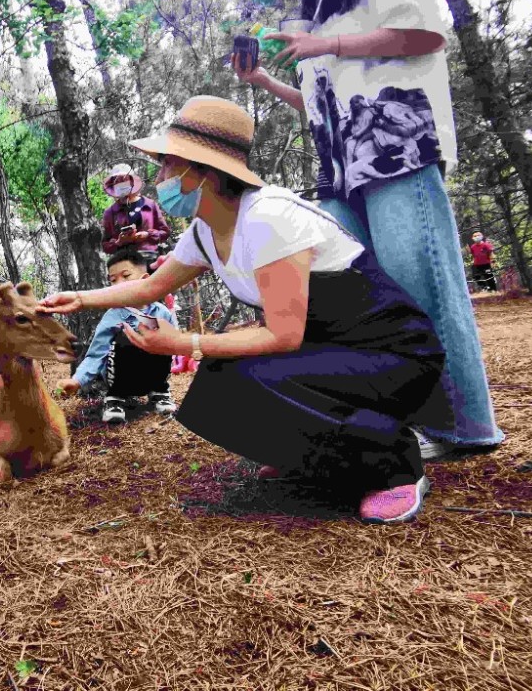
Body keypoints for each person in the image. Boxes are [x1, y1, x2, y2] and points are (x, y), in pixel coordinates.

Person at [41, 96, 448, 524]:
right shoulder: (205, 231)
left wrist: (184, 343)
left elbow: (283, 336)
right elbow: (151, 286)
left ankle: (395, 465)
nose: (158, 177)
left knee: (250, 374)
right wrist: (80, 299)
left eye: (166, 164)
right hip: (327, 355)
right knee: (219, 385)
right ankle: (319, 461)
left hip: (393, 357)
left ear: (202, 171)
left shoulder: (268, 218)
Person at [231, 0, 501, 459]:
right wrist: (262, 79)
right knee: (363, 300)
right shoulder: (314, 11)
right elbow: (319, 103)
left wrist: (330, 47)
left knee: (420, 282)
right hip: (337, 170)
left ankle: (464, 427)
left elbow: (425, 34)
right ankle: (401, 422)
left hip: (396, 147)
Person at [57, 249, 177, 423]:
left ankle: (159, 392)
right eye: (113, 280)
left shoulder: (162, 313)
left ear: (145, 279)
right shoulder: (113, 316)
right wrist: (77, 381)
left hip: (154, 375)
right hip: (120, 379)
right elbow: (97, 354)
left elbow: (173, 346)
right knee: (125, 336)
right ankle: (115, 398)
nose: (118, 284)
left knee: (163, 337)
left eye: (126, 276)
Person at [101, 163, 171, 263]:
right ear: (113, 186)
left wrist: (147, 235)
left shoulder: (150, 205)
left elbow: (165, 232)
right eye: (117, 181)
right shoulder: (110, 212)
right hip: (125, 264)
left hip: (150, 260)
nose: (121, 183)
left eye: (124, 180)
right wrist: (119, 242)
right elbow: (105, 245)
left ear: (132, 182)